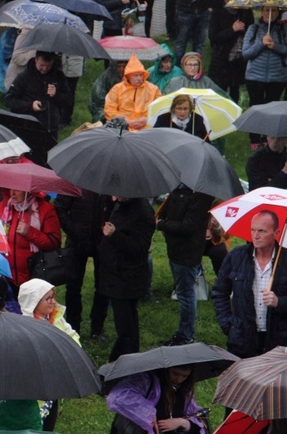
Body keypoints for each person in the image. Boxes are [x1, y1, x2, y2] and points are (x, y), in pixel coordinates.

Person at [212, 210, 287, 359]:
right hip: (243, 338)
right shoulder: (236, 256)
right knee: (243, 381)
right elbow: (220, 292)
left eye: (262, 231)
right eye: (253, 230)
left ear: (276, 232)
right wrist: (229, 325)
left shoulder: (284, 259)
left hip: (279, 340)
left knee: (273, 382)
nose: (255, 236)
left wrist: (279, 302)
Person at [97, 196, 155, 361]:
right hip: (115, 274)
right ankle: (131, 359)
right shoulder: (120, 204)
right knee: (128, 323)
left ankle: (119, 362)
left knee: (125, 327)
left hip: (127, 278)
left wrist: (114, 235)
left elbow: (140, 248)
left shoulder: (143, 212)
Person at [18, 278, 80, 430]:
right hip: (33, 390)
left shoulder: (57, 319)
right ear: (34, 302)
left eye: (53, 297)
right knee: (33, 423)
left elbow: (73, 337)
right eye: (48, 299)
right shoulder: (25, 326)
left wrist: (69, 351)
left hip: (54, 383)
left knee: (49, 422)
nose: (53, 302)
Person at [156, 185, 215, 346]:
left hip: (187, 253)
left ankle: (186, 335)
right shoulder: (180, 191)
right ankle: (184, 334)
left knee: (186, 295)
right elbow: (165, 213)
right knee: (183, 292)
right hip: (174, 249)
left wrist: (162, 224)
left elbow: (188, 226)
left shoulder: (202, 197)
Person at [54, 190, 110, 339]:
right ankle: (73, 325)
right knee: (73, 285)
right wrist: (73, 230)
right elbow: (60, 207)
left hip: (103, 241)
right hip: (76, 241)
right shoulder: (75, 180)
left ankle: (97, 328)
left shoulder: (108, 181)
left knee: (103, 285)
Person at [107, 366, 205, 434]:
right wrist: (148, 412)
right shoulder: (146, 381)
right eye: (175, 374)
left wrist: (182, 423)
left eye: (185, 376)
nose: (179, 379)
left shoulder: (183, 392)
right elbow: (119, 395)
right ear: (167, 369)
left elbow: (196, 421)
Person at [242, 5, 287, 150]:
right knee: (256, 106)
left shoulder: (283, 29)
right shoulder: (253, 29)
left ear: (278, 12)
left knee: (271, 108)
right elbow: (246, 53)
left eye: (273, 11)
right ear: (262, 11)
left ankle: (268, 138)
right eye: (267, 10)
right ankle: (254, 138)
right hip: (255, 76)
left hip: (277, 76)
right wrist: (261, 44)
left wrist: (276, 46)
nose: (270, 13)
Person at [0, 188, 61, 287]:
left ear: (28, 191)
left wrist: (29, 232)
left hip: (35, 277)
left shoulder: (44, 209)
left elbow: (54, 242)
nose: (12, 193)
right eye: (10, 189)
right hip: (6, 277)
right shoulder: (4, 207)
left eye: (17, 189)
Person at [5, 51, 73, 141]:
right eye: (42, 65)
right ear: (36, 60)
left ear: (53, 61)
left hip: (51, 129)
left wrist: (56, 95)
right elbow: (9, 100)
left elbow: (69, 100)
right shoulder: (24, 77)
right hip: (29, 129)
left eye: (48, 66)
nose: (44, 69)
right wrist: (30, 105)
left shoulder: (59, 76)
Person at [208, 0, 254, 104]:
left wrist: (244, 30)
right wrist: (232, 30)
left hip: (238, 60)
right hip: (221, 60)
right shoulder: (217, 13)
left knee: (235, 89)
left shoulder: (245, 12)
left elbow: (251, 32)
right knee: (220, 90)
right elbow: (213, 37)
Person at [104, 54, 161, 131]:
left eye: (141, 75)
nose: (139, 78)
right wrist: (125, 122)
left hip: (147, 128)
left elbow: (160, 109)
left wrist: (147, 120)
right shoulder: (117, 89)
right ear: (128, 76)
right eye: (136, 75)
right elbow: (109, 109)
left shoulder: (153, 89)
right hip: (122, 128)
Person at [173, 0, 211, 64]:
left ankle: (195, 67)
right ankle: (177, 69)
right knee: (181, 42)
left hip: (203, 10)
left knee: (199, 43)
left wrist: (211, 4)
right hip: (185, 9)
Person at [163, 52, 228, 97]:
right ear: (183, 66)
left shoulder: (206, 82)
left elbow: (222, 97)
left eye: (195, 65)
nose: (192, 68)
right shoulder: (175, 82)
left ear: (200, 66)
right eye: (190, 65)